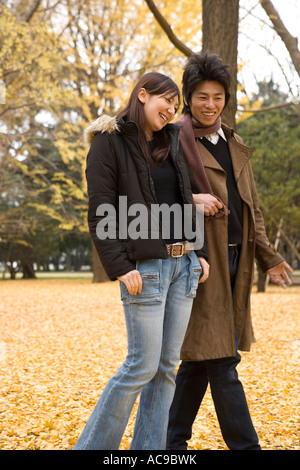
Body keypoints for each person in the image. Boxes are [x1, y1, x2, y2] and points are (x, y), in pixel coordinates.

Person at [73, 72, 209, 450]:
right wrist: (120, 267)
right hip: (144, 270)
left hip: (183, 269)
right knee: (141, 366)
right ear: (143, 94)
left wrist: (199, 253)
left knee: (166, 370)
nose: (172, 110)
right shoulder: (108, 142)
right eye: (168, 101)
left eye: (176, 106)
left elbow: (186, 198)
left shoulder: (171, 142)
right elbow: (101, 211)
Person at [167, 53, 293, 451]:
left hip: (236, 262)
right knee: (221, 358)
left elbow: (250, 208)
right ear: (188, 97)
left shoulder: (234, 142)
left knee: (199, 360)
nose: (210, 104)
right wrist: (191, 201)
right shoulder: (174, 142)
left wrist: (269, 258)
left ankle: (170, 445)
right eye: (201, 96)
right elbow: (156, 199)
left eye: (217, 96)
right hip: (199, 262)